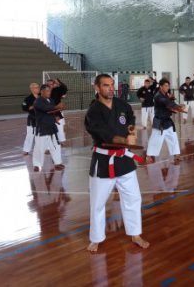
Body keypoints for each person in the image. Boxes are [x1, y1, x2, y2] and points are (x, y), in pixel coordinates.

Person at [84, 74, 149, 253]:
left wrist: (130, 133)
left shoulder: (122, 105)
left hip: (124, 160)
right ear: (96, 88)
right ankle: (96, 238)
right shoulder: (93, 111)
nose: (110, 88)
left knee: (133, 198)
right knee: (97, 203)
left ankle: (135, 233)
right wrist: (123, 139)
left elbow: (130, 120)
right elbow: (100, 132)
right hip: (104, 161)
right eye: (106, 85)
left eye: (112, 85)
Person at [146, 78, 185, 164]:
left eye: (168, 86)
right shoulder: (158, 96)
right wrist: (178, 107)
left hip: (167, 120)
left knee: (173, 137)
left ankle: (176, 155)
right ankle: (149, 156)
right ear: (161, 86)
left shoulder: (165, 95)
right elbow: (167, 103)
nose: (167, 87)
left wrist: (173, 110)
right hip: (159, 121)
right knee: (155, 139)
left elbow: (167, 106)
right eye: (166, 86)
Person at [33, 84, 64, 172]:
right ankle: (37, 164)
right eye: (47, 91)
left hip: (52, 126)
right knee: (39, 147)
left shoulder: (51, 100)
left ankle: (57, 163)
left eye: (50, 91)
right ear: (42, 92)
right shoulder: (38, 101)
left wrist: (56, 117)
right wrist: (57, 107)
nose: (49, 92)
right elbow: (46, 109)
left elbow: (52, 112)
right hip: (42, 127)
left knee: (55, 146)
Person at [22, 83, 40, 155]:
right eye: (36, 87)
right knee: (30, 135)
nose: (38, 89)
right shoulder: (28, 98)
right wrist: (33, 106)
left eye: (38, 87)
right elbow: (24, 108)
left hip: (41, 119)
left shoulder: (41, 97)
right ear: (32, 89)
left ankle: (44, 148)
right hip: (32, 119)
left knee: (42, 135)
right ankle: (26, 150)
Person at [48, 78, 68, 143]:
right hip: (48, 112)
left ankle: (61, 141)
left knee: (60, 127)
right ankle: (49, 145)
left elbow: (64, 88)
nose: (50, 85)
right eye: (49, 84)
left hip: (58, 111)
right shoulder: (44, 91)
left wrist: (59, 82)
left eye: (52, 84)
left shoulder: (57, 90)